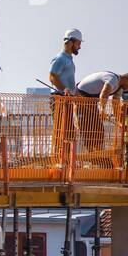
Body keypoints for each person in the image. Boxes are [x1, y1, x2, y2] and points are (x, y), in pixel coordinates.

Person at [75, 69, 128, 156]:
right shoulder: (113, 79)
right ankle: (92, 155)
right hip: (81, 97)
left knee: (98, 129)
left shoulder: (120, 88)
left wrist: (119, 122)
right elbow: (104, 93)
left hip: (90, 101)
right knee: (88, 127)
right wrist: (102, 110)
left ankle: (98, 154)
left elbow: (115, 104)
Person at [49, 28, 83, 164]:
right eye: (78, 43)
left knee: (69, 130)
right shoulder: (60, 59)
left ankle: (66, 161)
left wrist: (75, 92)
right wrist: (64, 90)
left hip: (67, 100)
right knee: (61, 130)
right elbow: (52, 77)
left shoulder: (69, 59)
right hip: (59, 99)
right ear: (70, 42)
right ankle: (59, 160)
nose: (79, 46)